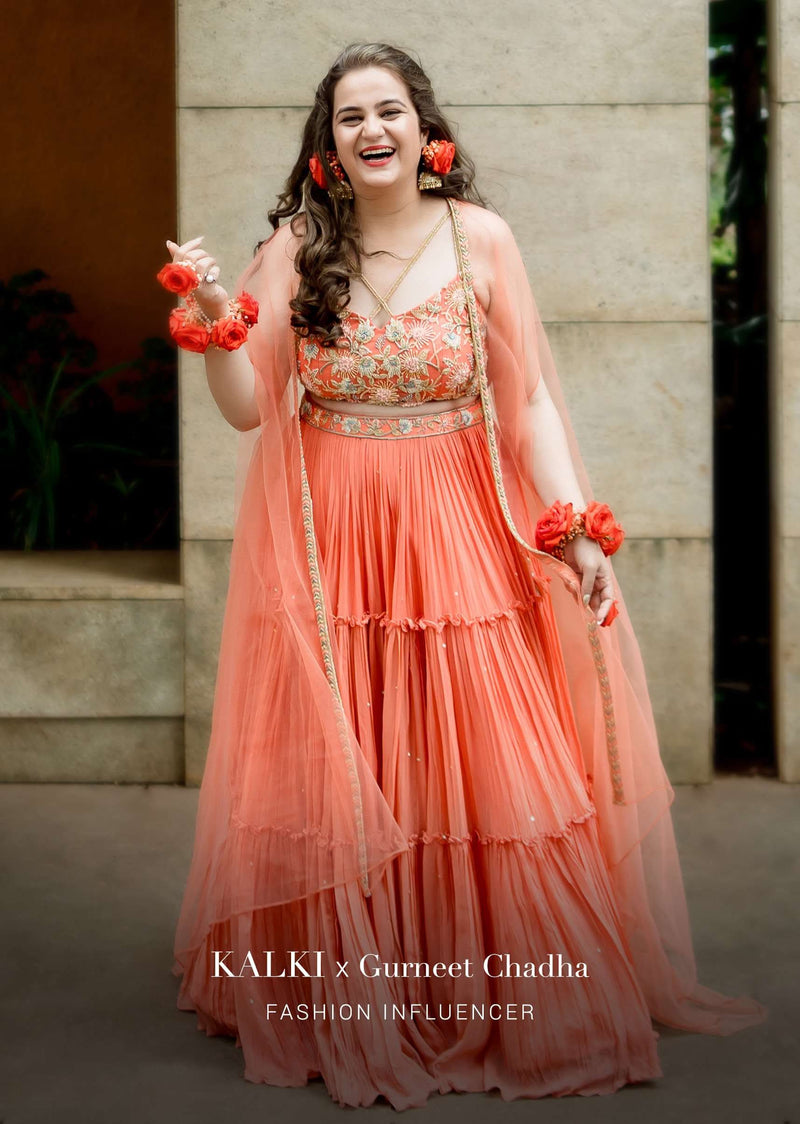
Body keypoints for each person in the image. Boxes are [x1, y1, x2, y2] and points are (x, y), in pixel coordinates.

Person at [163, 42, 766, 1110]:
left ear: (421, 125)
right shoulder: (297, 249)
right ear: (326, 148)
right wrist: (218, 313)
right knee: (361, 749)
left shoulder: (480, 238)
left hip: (456, 522)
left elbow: (525, 401)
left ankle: (499, 986)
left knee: (480, 756)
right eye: (348, 118)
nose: (369, 130)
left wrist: (572, 523)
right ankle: (357, 989)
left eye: (386, 109)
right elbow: (250, 409)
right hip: (336, 536)